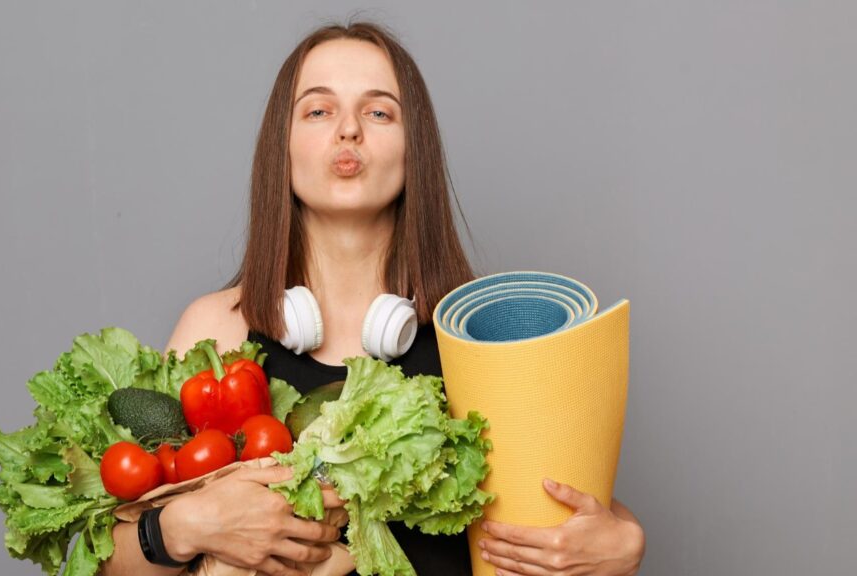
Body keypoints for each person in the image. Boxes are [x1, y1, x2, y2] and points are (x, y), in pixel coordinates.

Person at [101, 20, 646, 576]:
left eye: (379, 112)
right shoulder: (216, 330)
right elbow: (102, 561)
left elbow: (557, 504)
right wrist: (181, 527)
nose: (348, 131)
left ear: (416, 149)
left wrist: (621, 543)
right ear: (281, 146)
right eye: (318, 110)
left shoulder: (481, 333)